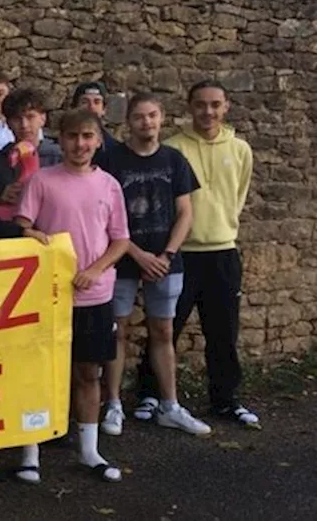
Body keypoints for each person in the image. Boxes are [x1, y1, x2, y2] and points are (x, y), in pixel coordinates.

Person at [16, 109, 130, 485]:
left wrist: (95, 269)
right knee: (38, 374)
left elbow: (120, 239)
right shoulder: (41, 181)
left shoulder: (110, 185)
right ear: (59, 139)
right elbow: (24, 228)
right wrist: (35, 238)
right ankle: (30, 452)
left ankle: (89, 449)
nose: (80, 144)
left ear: (98, 140)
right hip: (47, 296)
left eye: (87, 137)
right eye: (72, 137)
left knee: (87, 373)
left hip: (94, 295)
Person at [96, 94, 210, 437]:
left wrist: (167, 255)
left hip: (166, 261)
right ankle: (113, 404)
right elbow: (102, 215)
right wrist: (135, 253)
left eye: (153, 116)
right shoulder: (111, 159)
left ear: (162, 118)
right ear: (128, 122)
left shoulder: (174, 160)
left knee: (163, 332)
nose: (147, 123)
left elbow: (186, 213)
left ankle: (169, 405)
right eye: (139, 117)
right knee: (117, 331)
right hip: (120, 259)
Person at [146, 80, 257, 427]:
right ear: (189, 107)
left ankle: (225, 400)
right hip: (180, 254)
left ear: (226, 107)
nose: (207, 112)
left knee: (223, 332)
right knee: (166, 329)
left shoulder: (240, 149)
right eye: (200, 105)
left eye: (215, 105)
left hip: (222, 253)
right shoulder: (173, 148)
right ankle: (151, 395)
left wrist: (221, 227)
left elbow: (237, 194)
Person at [0, 88, 62, 238]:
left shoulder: (58, 158)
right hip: (13, 239)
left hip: (53, 235)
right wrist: (0, 198)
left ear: (43, 118)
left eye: (30, 117)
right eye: (17, 119)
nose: (24, 125)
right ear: (8, 123)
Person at [71, 80, 121, 152]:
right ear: (75, 107)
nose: (91, 107)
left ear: (104, 109)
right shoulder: (62, 147)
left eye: (97, 102)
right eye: (85, 102)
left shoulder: (115, 149)